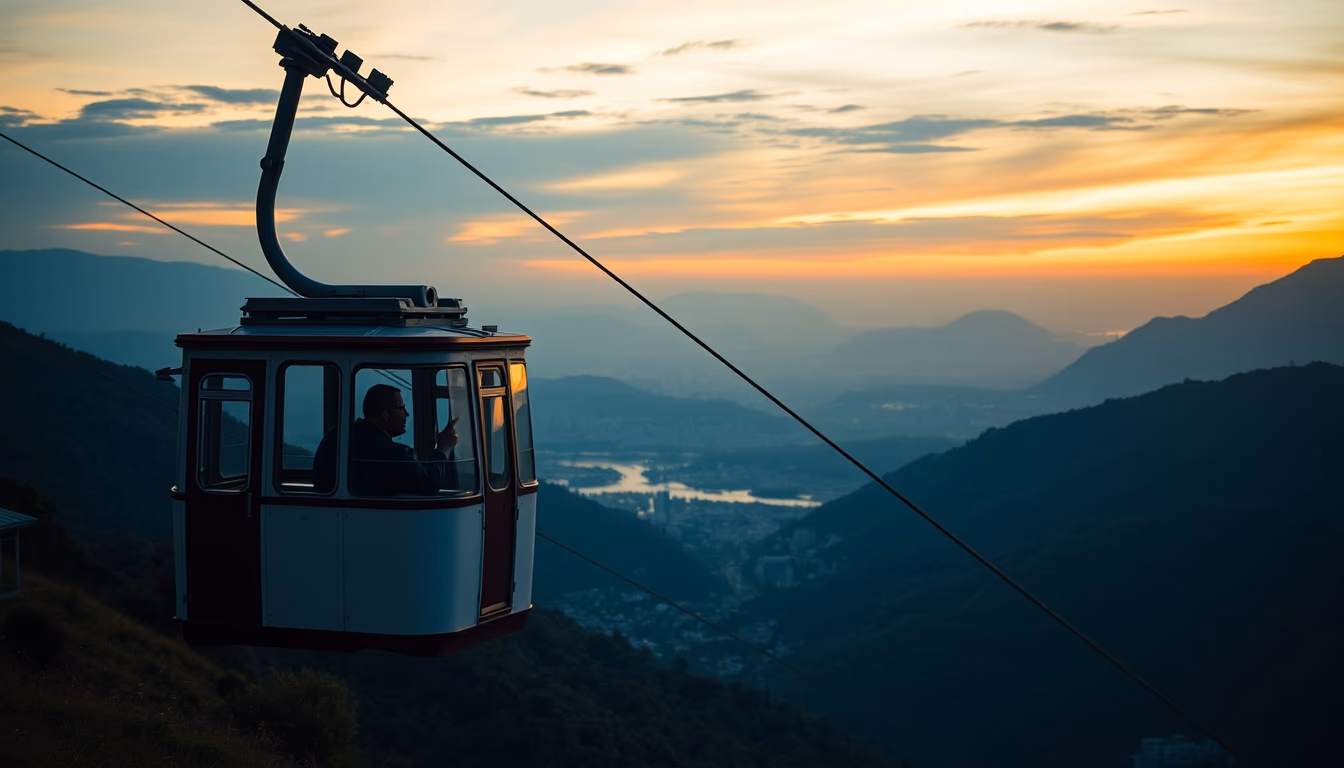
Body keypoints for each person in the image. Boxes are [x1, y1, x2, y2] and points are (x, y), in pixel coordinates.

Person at [313, 383, 459, 496]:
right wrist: (443, 448)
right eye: (402, 409)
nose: (406, 414)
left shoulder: (339, 435)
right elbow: (429, 484)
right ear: (386, 415)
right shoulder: (392, 453)